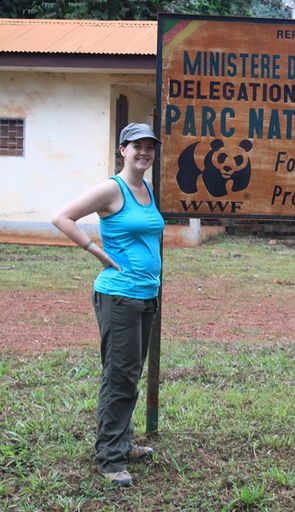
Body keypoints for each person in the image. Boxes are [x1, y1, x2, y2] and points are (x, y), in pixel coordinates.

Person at [52, 123, 165, 486]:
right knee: (119, 375)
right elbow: (62, 217)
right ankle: (110, 458)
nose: (144, 152)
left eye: (149, 146)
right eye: (137, 146)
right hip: (119, 296)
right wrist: (95, 250)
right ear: (122, 150)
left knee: (130, 372)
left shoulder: (146, 188)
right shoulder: (111, 189)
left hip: (146, 295)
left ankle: (123, 441)